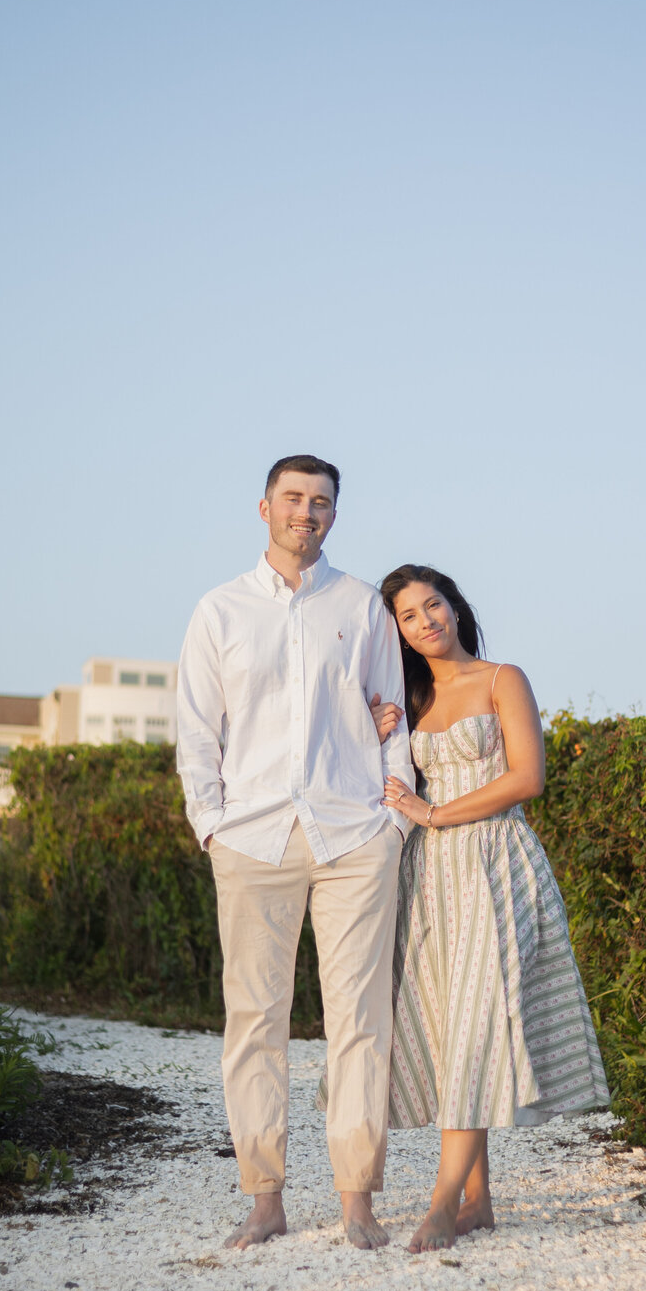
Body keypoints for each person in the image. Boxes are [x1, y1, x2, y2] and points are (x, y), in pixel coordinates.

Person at [176, 456, 414, 1251]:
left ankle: (357, 1198)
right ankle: (265, 1196)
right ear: (264, 507)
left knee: (360, 1019)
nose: (305, 513)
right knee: (254, 1020)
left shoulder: (362, 606)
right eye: (293, 499)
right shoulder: (219, 610)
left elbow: (394, 716)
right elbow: (194, 730)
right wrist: (211, 823)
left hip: (354, 836)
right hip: (252, 838)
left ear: (334, 516)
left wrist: (394, 821)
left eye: (320, 503)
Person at [373, 564, 611, 1253]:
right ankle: (480, 1201)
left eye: (434, 605)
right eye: (410, 616)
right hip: (430, 875)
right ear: (400, 633)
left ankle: (443, 1204)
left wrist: (436, 812)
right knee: (451, 1026)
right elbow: (375, 779)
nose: (427, 621)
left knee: (479, 1021)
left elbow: (526, 778)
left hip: (496, 864)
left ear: (455, 606)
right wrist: (378, 725)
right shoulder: (409, 699)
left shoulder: (504, 678)